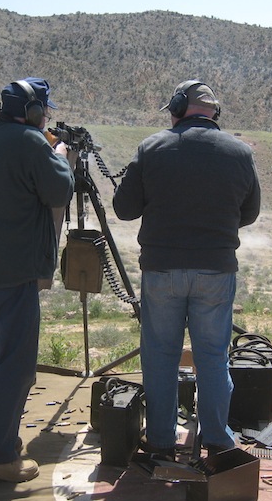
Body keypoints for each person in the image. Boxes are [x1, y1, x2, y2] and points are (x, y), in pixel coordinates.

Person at [112, 80, 261, 458]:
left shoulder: (152, 147)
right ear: (215, 113)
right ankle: (216, 437)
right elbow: (250, 213)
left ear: (178, 107)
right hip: (216, 271)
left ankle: (161, 440)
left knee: (161, 355)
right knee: (213, 357)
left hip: (162, 271)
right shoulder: (241, 152)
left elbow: (124, 209)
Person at [0, 77, 75, 482]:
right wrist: (56, 152)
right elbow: (60, 191)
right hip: (12, 274)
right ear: (34, 112)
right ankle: (0, 458)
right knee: (16, 366)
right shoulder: (30, 143)